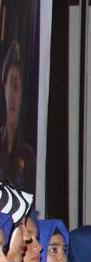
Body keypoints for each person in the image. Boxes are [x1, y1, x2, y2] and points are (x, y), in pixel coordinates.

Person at [0, 41, 36, 191]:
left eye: (17, 86)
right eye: (10, 84)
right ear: (4, 87)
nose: (12, 96)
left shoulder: (28, 156)